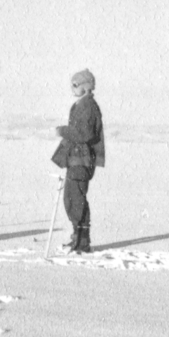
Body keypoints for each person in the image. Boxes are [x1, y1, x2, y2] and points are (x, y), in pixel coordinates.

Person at [51, 69, 105, 253]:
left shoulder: (88, 106)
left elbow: (85, 133)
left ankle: (82, 242)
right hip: (76, 159)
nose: (72, 89)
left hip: (81, 160)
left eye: (75, 85)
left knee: (76, 199)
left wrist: (63, 131)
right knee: (72, 199)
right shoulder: (83, 104)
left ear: (86, 86)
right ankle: (78, 237)